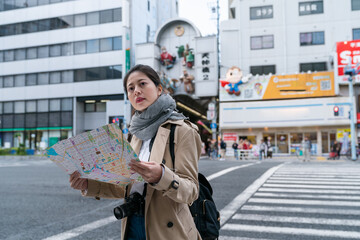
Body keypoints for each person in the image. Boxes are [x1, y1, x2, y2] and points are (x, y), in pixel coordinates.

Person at [69, 64, 202, 240]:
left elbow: (192, 191)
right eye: (130, 88)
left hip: (168, 230)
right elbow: (126, 186)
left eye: (142, 84)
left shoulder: (182, 130)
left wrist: (161, 176)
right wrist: (88, 184)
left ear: (159, 88)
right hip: (132, 222)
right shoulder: (135, 134)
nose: (136, 91)